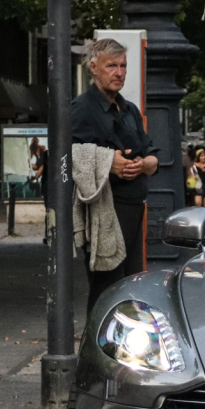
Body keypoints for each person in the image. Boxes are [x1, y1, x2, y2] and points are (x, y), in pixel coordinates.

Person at [71, 38, 160, 312]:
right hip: (106, 208)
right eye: (112, 66)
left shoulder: (130, 109)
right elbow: (67, 155)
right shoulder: (82, 108)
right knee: (107, 286)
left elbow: (154, 157)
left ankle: (123, 348)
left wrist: (144, 164)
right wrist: (109, 162)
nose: (119, 72)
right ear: (94, 68)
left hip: (134, 207)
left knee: (130, 284)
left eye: (123, 66)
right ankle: (96, 348)